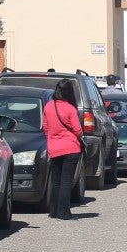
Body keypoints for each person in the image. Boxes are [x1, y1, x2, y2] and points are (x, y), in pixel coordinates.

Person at [42, 78, 83, 220]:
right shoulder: (70, 109)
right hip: (71, 148)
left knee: (56, 181)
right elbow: (78, 131)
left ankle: (53, 211)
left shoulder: (48, 106)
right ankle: (64, 212)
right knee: (67, 181)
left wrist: (52, 140)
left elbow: (46, 128)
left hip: (54, 148)